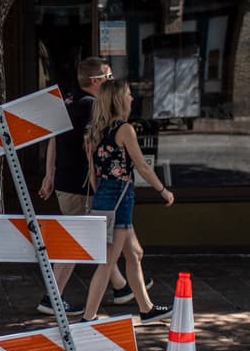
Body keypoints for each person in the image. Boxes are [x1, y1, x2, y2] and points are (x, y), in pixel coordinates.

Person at [36, 57, 149, 315]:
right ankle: (52, 297)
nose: (113, 84)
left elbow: (54, 138)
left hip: (70, 182)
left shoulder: (69, 102)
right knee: (80, 241)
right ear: (97, 81)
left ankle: (122, 285)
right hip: (81, 186)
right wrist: (99, 180)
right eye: (109, 78)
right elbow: (90, 146)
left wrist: (49, 173)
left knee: (102, 240)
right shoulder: (92, 107)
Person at [82, 79, 175, 324]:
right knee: (109, 262)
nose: (132, 98)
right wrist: (163, 190)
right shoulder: (125, 130)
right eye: (128, 94)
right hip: (120, 196)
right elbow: (142, 166)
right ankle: (88, 317)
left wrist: (103, 196)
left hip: (104, 195)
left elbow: (93, 175)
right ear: (118, 100)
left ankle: (147, 308)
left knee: (134, 254)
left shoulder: (93, 131)